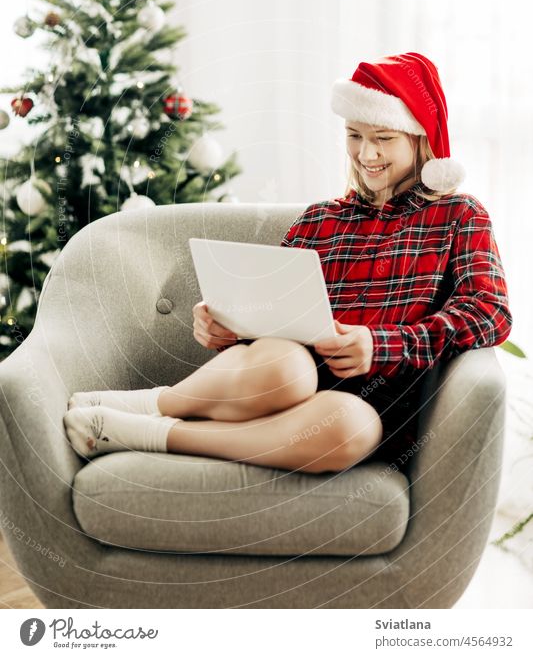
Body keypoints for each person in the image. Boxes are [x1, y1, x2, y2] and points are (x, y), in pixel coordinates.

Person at [63, 51, 513, 474]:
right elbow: (267, 310)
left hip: (369, 405)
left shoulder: (459, 216)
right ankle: (155, 405)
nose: (366, 154)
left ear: (420, 140)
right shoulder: (320, 220)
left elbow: (490, 313)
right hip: (282, 380)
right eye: (355, 136)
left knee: (348, 425)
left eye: (384, 139)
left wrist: (380, 345)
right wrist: (226, 324)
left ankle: (149, 432)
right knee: (287, 366)